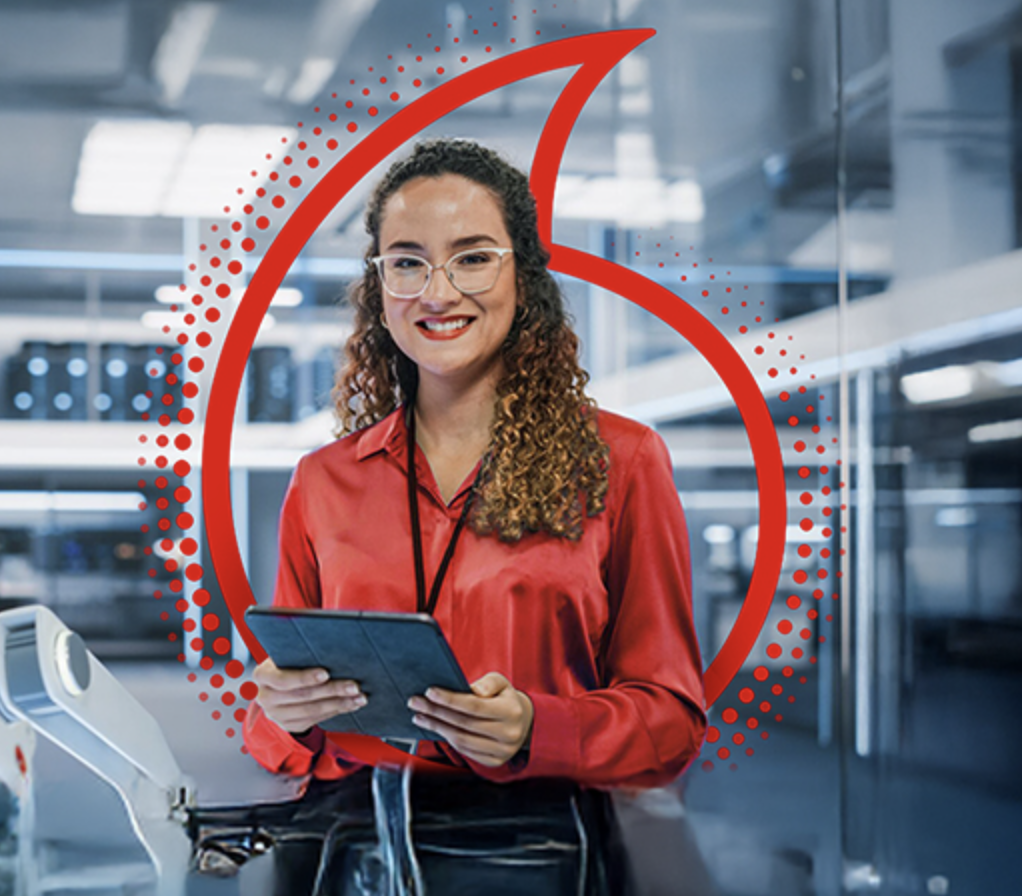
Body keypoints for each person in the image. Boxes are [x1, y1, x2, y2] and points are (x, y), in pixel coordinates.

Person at [240, 138, 708, 891]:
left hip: (536, 857)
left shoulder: (622, 461)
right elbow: (271, 736)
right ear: (379, 285)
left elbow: (671, 720)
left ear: (523, 274)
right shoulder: (324, 480)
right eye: (407, 261)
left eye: (472, 257)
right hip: (354, 857)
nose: (437, 291)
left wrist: (538, 727)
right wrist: (282, 712)